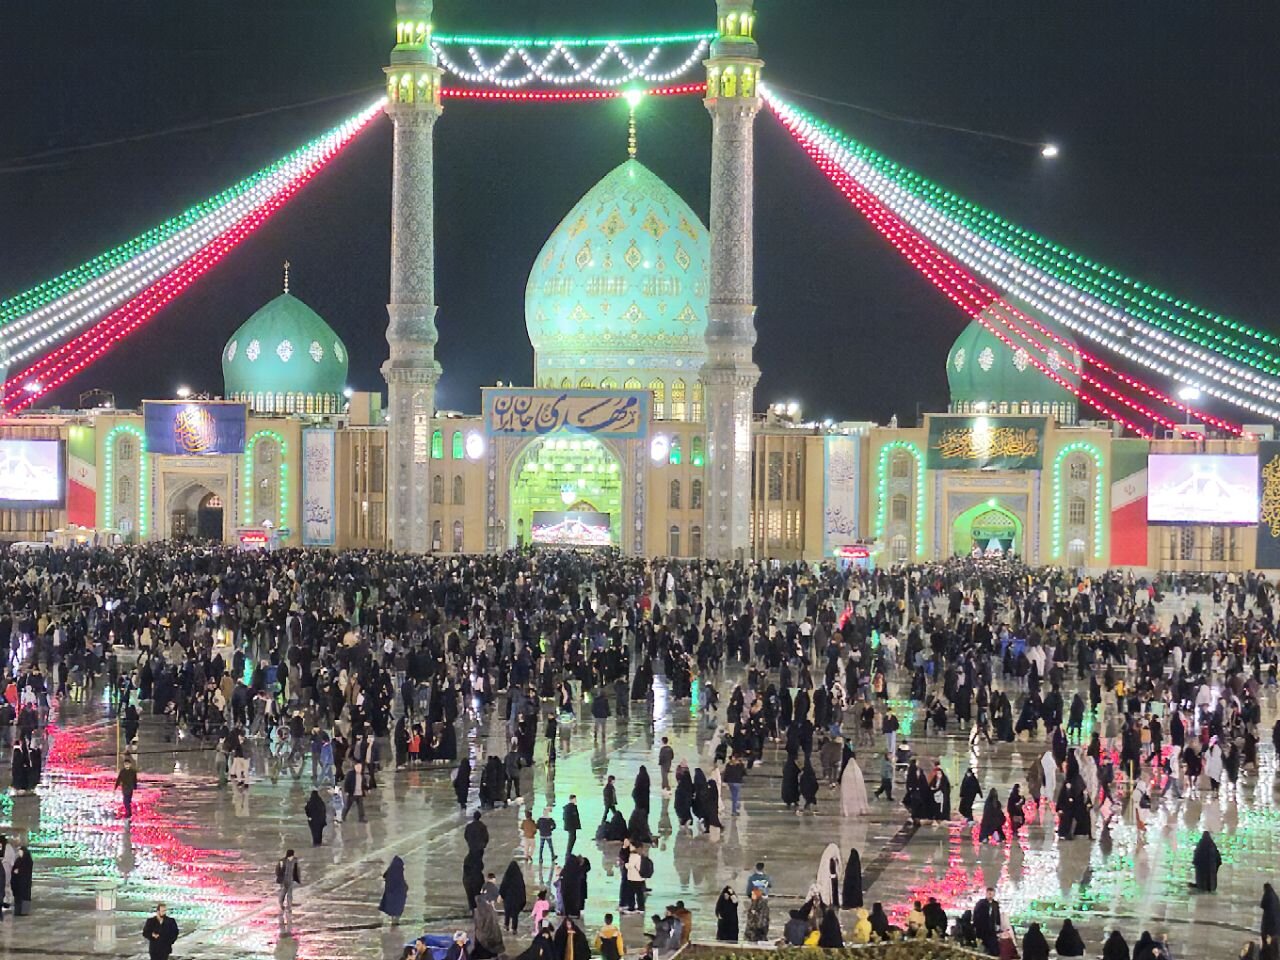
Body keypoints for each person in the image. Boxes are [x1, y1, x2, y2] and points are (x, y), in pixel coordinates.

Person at [499, 860, 527, 932]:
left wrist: (502, 895)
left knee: (507, 913)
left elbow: (503, 886)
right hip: (516, 899)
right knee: (515, 914)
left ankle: (506, 925)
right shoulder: (519, 878)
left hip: (508, 899)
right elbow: (522, 888)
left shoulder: (507, 876)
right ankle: (514, 928)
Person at [380, 855, 408, 925]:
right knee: (397, 908)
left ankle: (394, 920)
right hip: (397, 895)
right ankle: (396, 920)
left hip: (392, 894)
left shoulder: (391, 872)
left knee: (394, 908)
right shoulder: (398, 872)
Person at [973, 888, 1002, 955]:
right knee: (984, 943)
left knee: (993, 943)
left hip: (992, 927)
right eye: (989, 894)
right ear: (986, 894)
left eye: (992, 894)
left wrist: (998, 924)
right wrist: (976, 925)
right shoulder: (981, 903)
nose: (990, 895)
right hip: (983, 927)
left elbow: (997, 915)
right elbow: (976, 915)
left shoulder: (995, 904)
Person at [10, 845, 32, 916]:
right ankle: (18, 911)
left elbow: (27, 870)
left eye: (20, 851)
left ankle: (25, 911)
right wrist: (15, 871)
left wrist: (19, 871)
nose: (19, 853)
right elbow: (14, 868)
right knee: (18, 897)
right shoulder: (18, 860)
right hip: (18, 882)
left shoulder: (28, 860)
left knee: (25, 896)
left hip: (25, 882)